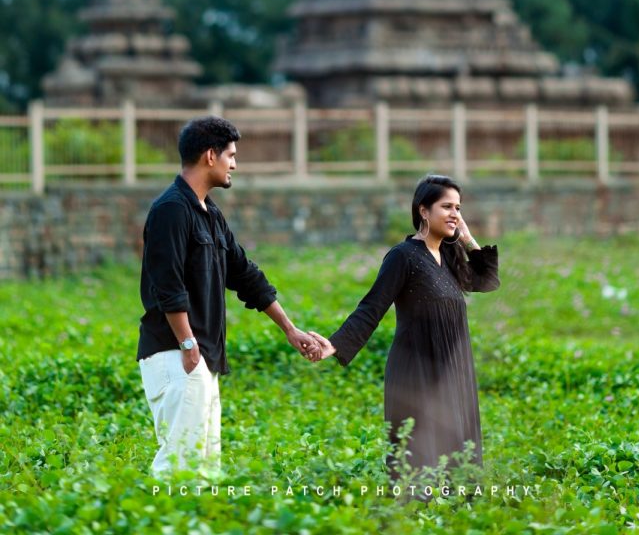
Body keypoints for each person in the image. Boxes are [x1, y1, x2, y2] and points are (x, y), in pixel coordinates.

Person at [136, 115, 320, 477]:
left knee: (206, 469)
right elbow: (166, 283)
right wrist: (188, 344)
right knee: (181, 470)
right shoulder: (171, 210)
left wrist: (290, 329)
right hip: (177, 353)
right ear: (209, 156)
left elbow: (246, 275)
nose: (234, 163)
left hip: (200, 358)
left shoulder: (211, 215)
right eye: (230, 155)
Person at [308, 174, 500, 477]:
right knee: (417, 467)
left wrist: (464, 235)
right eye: (446, 206)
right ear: (423, 210)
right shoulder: (403, 257)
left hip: (454, 372)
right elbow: (372, 307)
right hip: (417, 374)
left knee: (459, 466)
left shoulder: (450, 256)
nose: (455, 214)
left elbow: (488, 281)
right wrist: (334, 345)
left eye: (459, 208)